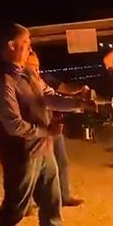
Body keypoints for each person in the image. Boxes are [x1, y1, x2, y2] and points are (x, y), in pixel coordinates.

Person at [0, 23, 95, 226]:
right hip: (21, 156)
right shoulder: (1, 83)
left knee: (52, 206)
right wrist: (48, 132)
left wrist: (79, 102)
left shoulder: (29, 75)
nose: (30, 47)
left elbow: (50, 98)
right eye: (26, 41)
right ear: (11, 45)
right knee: (13, 213)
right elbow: (13, 125)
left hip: (44, 152)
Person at [24, 51, 86, 207]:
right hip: (35, 130)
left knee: (60, 162)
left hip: (51, 126)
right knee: (31, 168)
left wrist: (79, 102)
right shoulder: (20, 85)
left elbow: (57, 97)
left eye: (37, 66)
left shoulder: (42, 81)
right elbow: (47, 101)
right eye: (32, 66)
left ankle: (62, 196)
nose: (36, 70)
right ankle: (26, 203)